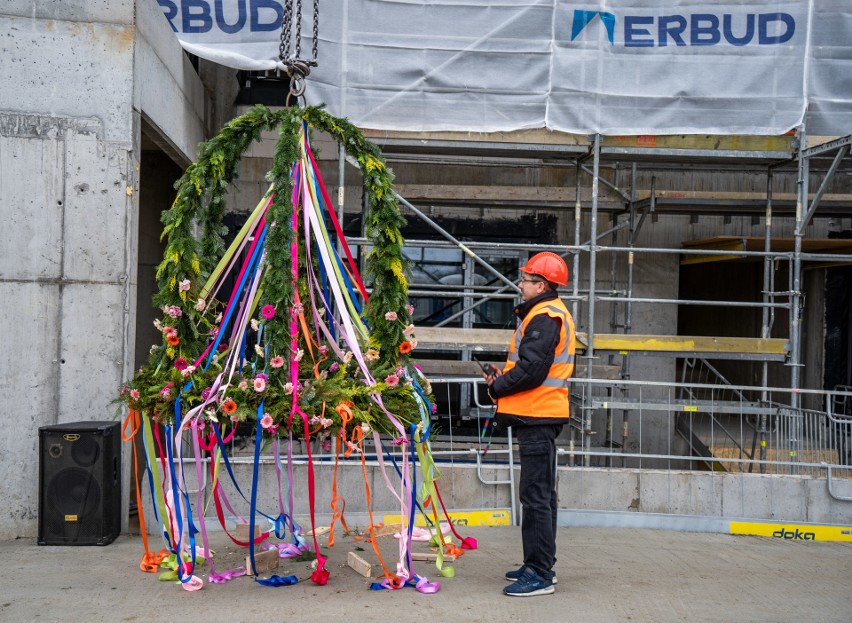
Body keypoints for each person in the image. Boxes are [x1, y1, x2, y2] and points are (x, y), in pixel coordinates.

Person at [484, 251, 575, 597]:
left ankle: (540, 573)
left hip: (539, 415)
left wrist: (498, 386)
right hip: (538, 414)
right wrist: (503, 379)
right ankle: (536, 563)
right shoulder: (543, 314)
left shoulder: (545, 316)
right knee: (540, 494)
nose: (520, 283)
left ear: (542, 285)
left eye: (525, 279)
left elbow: (533, 371)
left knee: (535, 495)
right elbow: (531, 366)